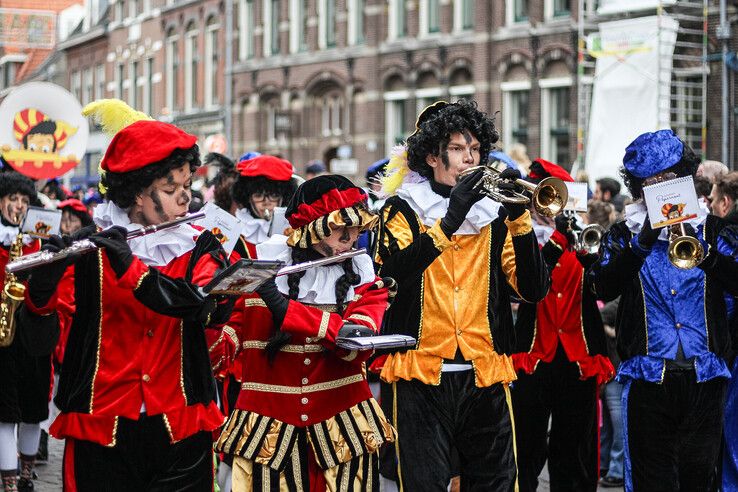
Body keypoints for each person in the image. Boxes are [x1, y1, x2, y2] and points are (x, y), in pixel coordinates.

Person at [18, 99, 232, 491]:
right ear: (136, 194)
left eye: (186, 186)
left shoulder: (200, 244)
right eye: (171, 189)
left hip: (179, 424)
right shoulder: (92, 247)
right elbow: (45, 335)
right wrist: (45, 281)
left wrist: (132, 270)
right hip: (101, 424)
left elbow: (204, 304)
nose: (186, 198)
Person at [374, 99, 550, 490]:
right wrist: (451, 218)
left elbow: (534, 290)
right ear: (432, 157)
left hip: (484, 375)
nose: (470, 159)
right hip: (420, 376)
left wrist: (519, 218)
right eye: (457, 149)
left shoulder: (495, 216)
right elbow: (391, 276)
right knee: (425, 484)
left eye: (475, 150)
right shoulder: (401, 210)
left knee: (497, 483)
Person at [214, 174, 397, 489]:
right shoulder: (260, 275)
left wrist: (285, 309)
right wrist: (208, 305)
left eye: (356, 226)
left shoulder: (368, 282)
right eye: (339, 225)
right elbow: (219, 355)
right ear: (311, 228)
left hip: (344, 435)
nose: (351, 235)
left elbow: (357, 345)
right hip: (267, 439)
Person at [590, 129, 738, 491]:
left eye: (670, 180)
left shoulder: (715, 231)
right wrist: (641, 243)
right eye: (652, 184)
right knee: (650, 479)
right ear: (640, 190)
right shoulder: (625, 234)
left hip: (705, 378)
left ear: (687, 179)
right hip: (648, 381)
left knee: (700, 478)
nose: (662, 189)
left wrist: (706, 254)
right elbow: (601, 285)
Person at [511, 159, 614, 492]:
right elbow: (529, 281)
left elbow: (602, 285)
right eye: (545, 196)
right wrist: (556, 240)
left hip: (576, 357)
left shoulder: (581, 239)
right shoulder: (521, 238)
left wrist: (589, 251)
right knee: (527, 447)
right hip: (534, 354)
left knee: (572, 451)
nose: (548, 207)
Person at [0, 173, 43, 492]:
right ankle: (10, 481)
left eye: (24, 202)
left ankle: (27, 475)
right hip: (3, 338)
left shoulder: (37, 239)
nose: (17, 206)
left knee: (33, 410)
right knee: (4, 414)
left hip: (32, 335)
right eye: (12, 199)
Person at [232, 154, 299, 258]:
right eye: (258, 196)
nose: (266, 202)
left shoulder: (295, 229)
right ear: (248, 199)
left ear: (283, 197)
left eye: (273, 195)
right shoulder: (237, 233)